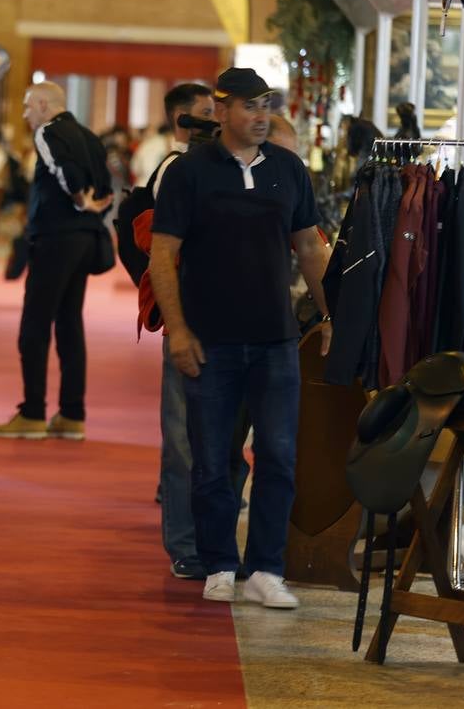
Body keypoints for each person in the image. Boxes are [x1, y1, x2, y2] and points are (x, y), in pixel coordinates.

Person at [149, 68, 333, 610]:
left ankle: (267, 568)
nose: (260, 116)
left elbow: (310, 247)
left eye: (267, 106)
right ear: (222, 110)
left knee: (278, 454)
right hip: (211, 341)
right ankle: (219, 563)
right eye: (250, 107)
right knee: (212, 458)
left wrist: (331, 314)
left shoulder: (289, 169)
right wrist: (178, 330)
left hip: (274, 339)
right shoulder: (190, 172)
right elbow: (163, 257)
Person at [0, 81, 112, 441]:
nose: (26, 115)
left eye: (28, 107)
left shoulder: (47, 132)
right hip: (86, 240)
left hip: (55, 238)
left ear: (44, 105)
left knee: (35, 326)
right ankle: (72, 414)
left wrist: (78, 200)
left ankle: (33, 413)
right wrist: (91, 209)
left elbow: (65, 172)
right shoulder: (90, 135)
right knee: (70, 324)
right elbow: (104, 186)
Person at [149, 82, 217, 581]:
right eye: (205, 117)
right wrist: (174, 322)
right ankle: (186, 544)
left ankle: (210, 541)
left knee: (217, 439)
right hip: (190, 316)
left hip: (237, 324)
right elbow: (161, 253)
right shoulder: (178, 171)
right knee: (182, 438)